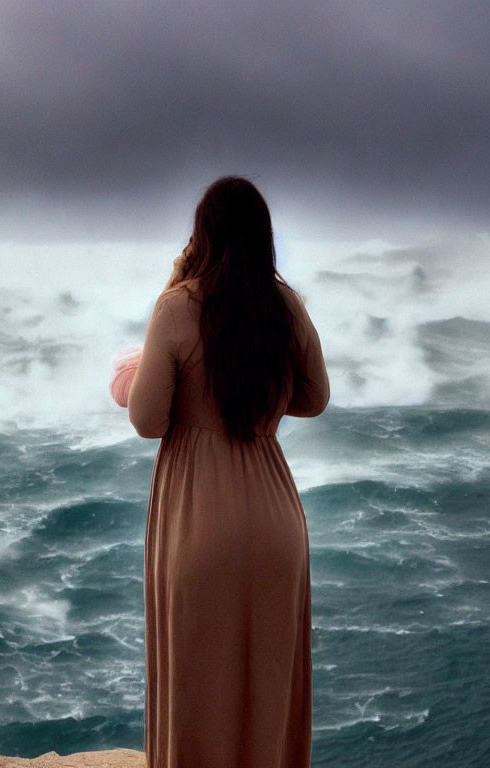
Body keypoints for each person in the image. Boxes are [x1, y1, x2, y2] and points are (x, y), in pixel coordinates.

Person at [110, 176, 329, 768]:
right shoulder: (285, 306)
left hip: (199, 519)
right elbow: (315, 399)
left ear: (201, 234)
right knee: (268, 685)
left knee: (198, 686)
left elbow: (147, 421)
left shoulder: (179, 305)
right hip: (276, 517)